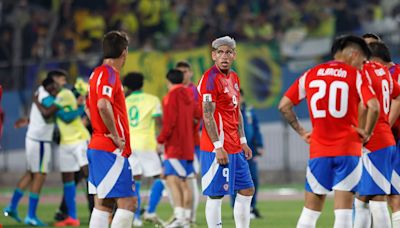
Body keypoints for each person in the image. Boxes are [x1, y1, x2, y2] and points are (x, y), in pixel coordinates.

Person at [278, 35, 380, 228]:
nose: (362, 66)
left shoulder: (310, 73)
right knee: (343, 212)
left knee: (309, 211)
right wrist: (367, 132)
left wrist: (301, 131)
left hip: (319, 150)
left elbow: (284, 106)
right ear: (354, 54)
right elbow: (373, 106)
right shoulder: (355, 75)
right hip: (348, 149)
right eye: (363, 61)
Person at [197, 36, 255, 228]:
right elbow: (207, 114)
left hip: (235, 146)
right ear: (213, 55)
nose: (224, 56)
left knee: (247, 189)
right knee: (216, 194)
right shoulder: (210, 79)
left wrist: (243, 140)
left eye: (228, 52)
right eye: (220, 52)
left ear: (234, 55)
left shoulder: (234, 77)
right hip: (218, 147)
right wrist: (218, 147)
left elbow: (236, 110)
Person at [86, 30, 136, 228]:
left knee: (104, 204)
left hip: (98, 145)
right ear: (124, 52)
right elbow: (102, 105)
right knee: (128, 203)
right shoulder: (109, 74)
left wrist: (98, 128)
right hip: (109, 148)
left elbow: (88, 107)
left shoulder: (95, 73)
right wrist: (115, 135)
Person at [33, 70, 91, 226]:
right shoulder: (56, 98)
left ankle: (103, 209)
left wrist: (36, 101)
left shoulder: (64, 94)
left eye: (53, 86)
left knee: (89, 175)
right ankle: (72, 217)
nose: (52, 89)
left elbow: (65, 117)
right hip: (65, 142)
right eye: (49, 88)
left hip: (79, 139)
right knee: (67, 179)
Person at [353, 40, 400, 228]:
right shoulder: (385, 74)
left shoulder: (368, 72)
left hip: (377, 140)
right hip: (388, 139)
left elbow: (367, 106)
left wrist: (366, 131)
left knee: (384, 197)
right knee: (363, 198)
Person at [3, 77, 61, 226]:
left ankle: (12, 206)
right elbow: (48, 112)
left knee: (30, 173)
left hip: (34, 138)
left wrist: (29, 119)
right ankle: (31, 215)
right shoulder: (47, 97)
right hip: (40, 141)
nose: (59, 87)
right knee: (40, 175)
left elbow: (41, 114)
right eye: (57, 84)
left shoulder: (40, 92)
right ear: (50, 86)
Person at [157, 69, 199, 227]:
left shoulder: (169, 97)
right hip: (188, 146)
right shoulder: (190, 95)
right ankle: (187, 219)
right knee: (186, 182)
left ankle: (179, 217)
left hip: (174, 146)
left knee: (172, 180)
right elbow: (198, 115)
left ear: (168, 81)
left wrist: (161, 139)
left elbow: (170, 122)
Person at [123, 72, 163, 227]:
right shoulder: (152, 99)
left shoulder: (124, 101)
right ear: (142, 84)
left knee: (136, 180)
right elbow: (158, 122)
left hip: (130, 145)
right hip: (147, 144)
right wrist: (161, 141)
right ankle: (150, 210)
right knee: (162, 177)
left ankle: (136, 218)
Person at [230, 89, 265, 219]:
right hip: (235, 150)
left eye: (240, 97)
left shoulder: (249, 111)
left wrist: (259, 145)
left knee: (253, 179)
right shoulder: (230, 111)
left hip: (250, 150)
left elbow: (256, 129)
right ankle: (236, 207)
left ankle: (251, 206)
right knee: (237, 180)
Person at [175, 60, 201, 224]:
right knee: (175, 180)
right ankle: (182, 216)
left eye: (186, 71)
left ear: (190, 73)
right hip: (178, 144)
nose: (184, 74)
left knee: (189, 179)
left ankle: (189, 217)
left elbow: (198, 115)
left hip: (193, 144)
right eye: (180, 72)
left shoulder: (194, 92)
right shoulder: (175, 91)